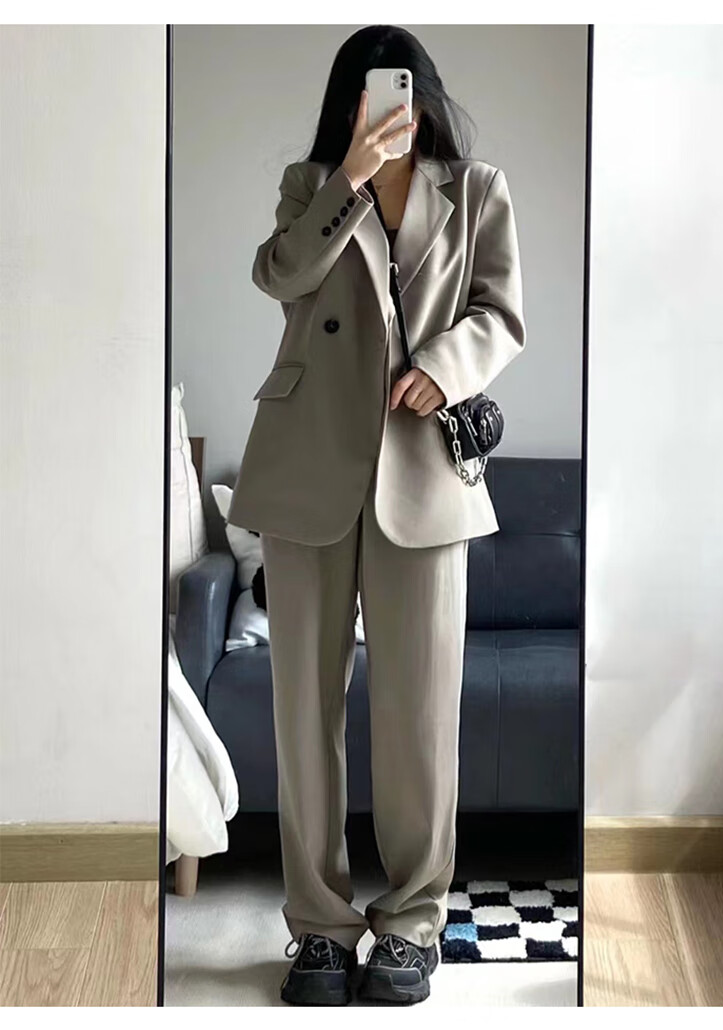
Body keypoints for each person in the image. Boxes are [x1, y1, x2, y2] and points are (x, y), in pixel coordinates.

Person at [226, 24, 526, 1006]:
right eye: (367, 96)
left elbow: (500, 313)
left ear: (422, 94)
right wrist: (350, 177)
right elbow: (279, 276)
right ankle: (318, 929)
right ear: (347, 106)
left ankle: (409, 925)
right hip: (307, 464)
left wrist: (444, 369)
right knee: (303, 713)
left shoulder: (475, 189)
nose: (388, 108)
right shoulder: (309, 184)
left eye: (397, 91)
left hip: (423, 473)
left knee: (419, 715)